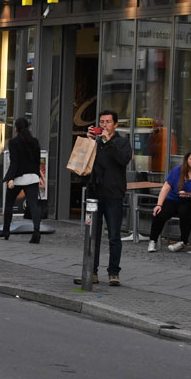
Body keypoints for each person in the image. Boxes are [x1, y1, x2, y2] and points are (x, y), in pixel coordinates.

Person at [77, 109, 132, 287]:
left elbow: (123, 161)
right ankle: (91, 272)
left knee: (114, 235)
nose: (104, 125)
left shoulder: (122, 142)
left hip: (114, 194)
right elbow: (83, 161)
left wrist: (109, 142)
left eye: (108, 122)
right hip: (94, 193)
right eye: (101, 122)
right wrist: (89, 141)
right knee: (93, 234)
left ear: (115, 124)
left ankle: (114, 273)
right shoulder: (95, 142)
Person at [148, 150, 191, 253]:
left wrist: (190, 195)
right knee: (159, 213)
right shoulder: (176, 171)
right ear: (186, 160)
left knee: (185, 211)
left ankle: (183, 242)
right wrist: (159, 204)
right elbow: (165, 188)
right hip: (173, 199)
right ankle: (152, 241)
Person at [0, 118, 44, 243]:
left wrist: (10, 178)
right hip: (33, 177)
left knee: (9, 203)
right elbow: (37, 161)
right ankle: (36, 232)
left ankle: (6, 230)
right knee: (33, 205)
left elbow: (15, 162)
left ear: (16, 128)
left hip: (18, 177)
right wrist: (37, 176)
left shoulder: (14, 142)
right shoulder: (34, 141)